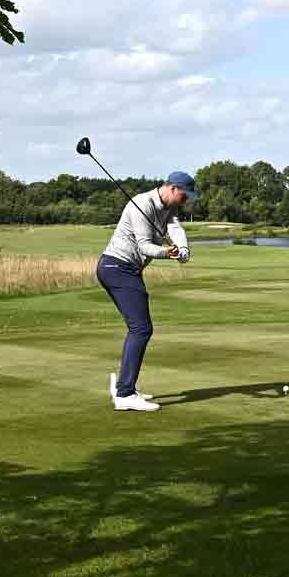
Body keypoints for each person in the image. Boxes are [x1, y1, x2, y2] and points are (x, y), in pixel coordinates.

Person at [96, 171, 198, 412]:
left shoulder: (168, 207)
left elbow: (175, 228)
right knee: (141, 329)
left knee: (138, 328)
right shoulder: (141, 204)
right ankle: (125, 394)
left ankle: (125, 386)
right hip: (116, 267)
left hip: (127, 269)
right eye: (185, 196)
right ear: (173, 188)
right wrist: (168, 253)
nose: (186, 201)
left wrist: (183, 248)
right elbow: (144, 246)